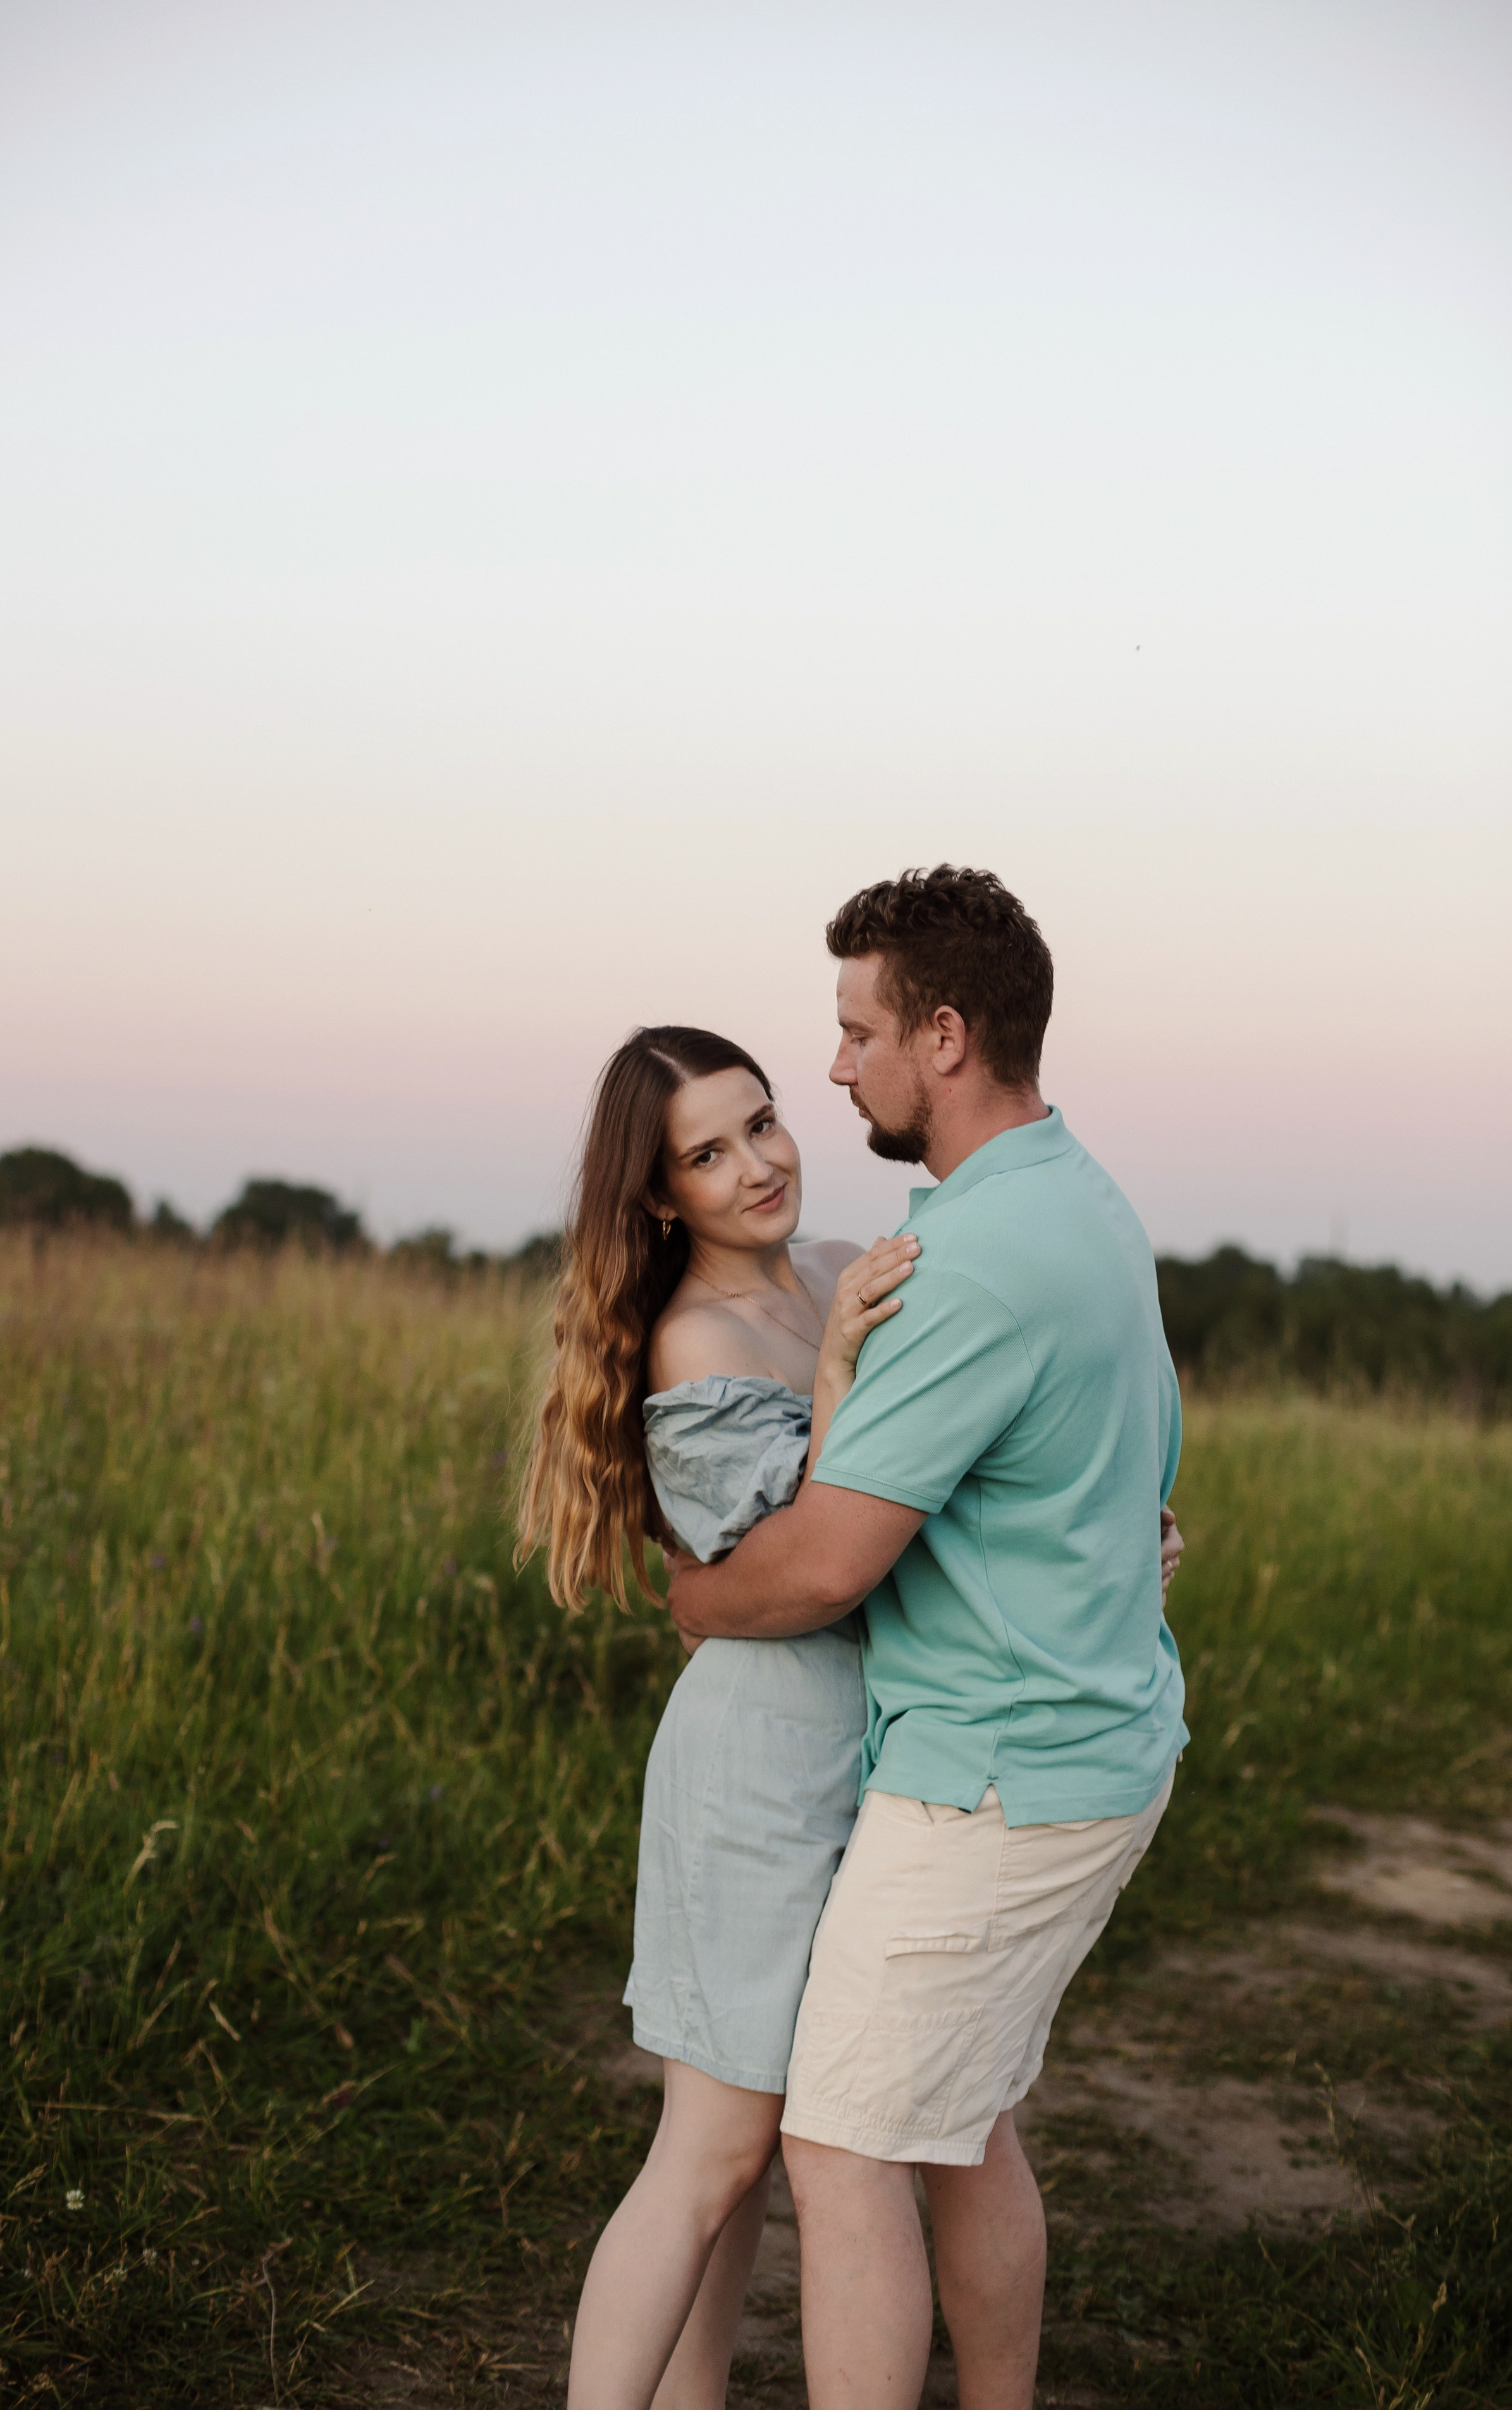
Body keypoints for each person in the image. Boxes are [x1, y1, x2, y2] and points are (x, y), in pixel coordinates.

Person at [517, 998, 1184, 2410]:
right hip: (760, 1764)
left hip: (879, 1753)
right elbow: (800, 1566)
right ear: (658, 1195)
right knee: (712, 2152)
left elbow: (951, 1476)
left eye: (761, 1122)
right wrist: (829, 1379)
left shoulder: (843, 1266)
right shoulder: (696, 1342)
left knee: (791, 2143)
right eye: (708, 1154)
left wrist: (1097, 1542)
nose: (759, 1163)